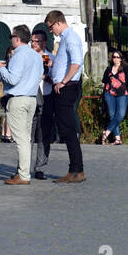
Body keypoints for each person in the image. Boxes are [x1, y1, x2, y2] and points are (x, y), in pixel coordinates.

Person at [47, 10, 86, 183]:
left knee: (68, 130)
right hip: (65, 87)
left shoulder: (70, 37)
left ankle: (76, 170)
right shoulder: (65, 38)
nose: (50, 31)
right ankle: (75, 169)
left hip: (67, 88)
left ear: (57, 23)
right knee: (66, 129)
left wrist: (63, 81)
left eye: (50, 27)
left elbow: (76, 63)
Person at [2, 25, 41, 184]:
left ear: (17, 39)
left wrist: (2, 69)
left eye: (12, 37)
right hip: (32, 97)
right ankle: (22, 171)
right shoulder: (36, 56)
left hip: (18, 98)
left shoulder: (18, 56)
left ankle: (24, 175)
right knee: (25, 137)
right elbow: (39, 77)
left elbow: (12, 79)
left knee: (21, 139)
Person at [31, 30, 55, 179]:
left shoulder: (49, 58)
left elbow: (55, 79)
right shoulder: (28, 56)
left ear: (44, 43)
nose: (34, 44)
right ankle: (23, 167)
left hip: (46, 97)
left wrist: (46, 77)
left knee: (43, 135)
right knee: (27, 135)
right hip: (30, 97)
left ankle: (39, 167)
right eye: (32, 41)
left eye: (37, 41)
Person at [101, 49, 128, 145]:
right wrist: (105, 91)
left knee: (120, 115)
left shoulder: (125, 68)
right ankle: (117, 139)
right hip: (109, 95)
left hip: (122, 95)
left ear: (121, 59)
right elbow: (104, 82)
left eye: (117, 57)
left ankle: (106, 132)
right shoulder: (108, 69)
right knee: (112, 115)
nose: (115, 59)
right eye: (114, 57)